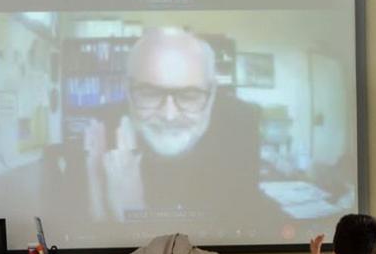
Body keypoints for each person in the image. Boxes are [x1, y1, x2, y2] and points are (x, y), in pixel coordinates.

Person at [83, 27, 261, 225]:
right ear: (127, 90)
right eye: (150, 93)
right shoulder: (103, 131)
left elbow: (244, 220)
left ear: (212, 94)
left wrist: (133, 215)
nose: (169, 115)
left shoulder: (238, 126)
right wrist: (98, 197)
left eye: (189, 95)